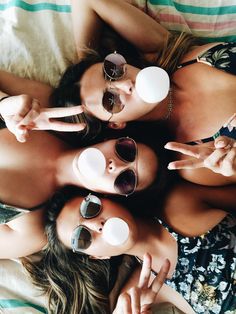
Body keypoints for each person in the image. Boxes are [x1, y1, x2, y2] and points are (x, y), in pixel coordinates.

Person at [51, 0, 236, 186]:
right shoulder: (195, 158)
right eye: (110, 100)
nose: (125, 84)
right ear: (115, 124)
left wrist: (85, 64)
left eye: (111, 70)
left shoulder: (167, 50)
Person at [23, 180, 236, 314]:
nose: (96, 224)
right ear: (98, 257)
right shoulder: (139, 292)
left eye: (90, 207)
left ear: (106, 199)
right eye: (82, 238)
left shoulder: (180, 201)